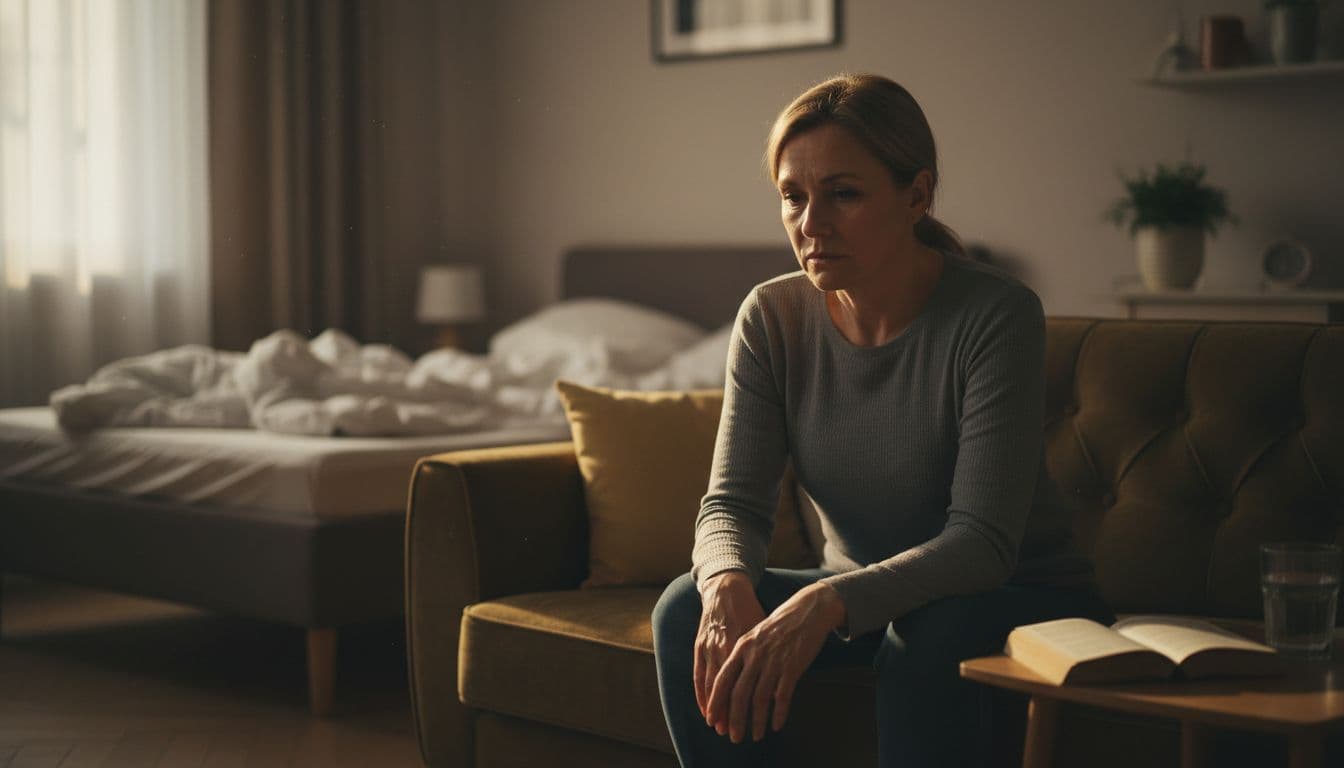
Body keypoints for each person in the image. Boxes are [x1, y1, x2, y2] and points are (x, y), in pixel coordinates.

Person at [651, 73, 1114, 768]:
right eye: (792, 196)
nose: (811, 224)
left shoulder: (995, 314)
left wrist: (824, 604)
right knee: (685, 606)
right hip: (863, 597)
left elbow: (982, 542)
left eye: (843, 194)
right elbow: (731, 504)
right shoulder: (772, 318)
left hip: (1014, 594)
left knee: (929, 630)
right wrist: (724, 586)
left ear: (917, 195)